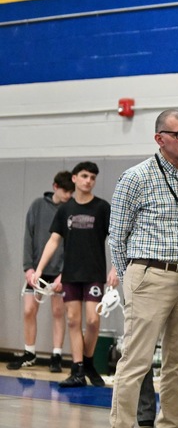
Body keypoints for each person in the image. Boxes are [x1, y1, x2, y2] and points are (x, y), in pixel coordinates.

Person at [105, 109, 178, 428]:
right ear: (159, 138)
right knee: (136, 359)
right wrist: (132, 280)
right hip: (149, 273)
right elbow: (116, 237)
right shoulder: (136, 177)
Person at [30, 162, 118, 388]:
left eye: (92, 178)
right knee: (72, 321)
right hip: (70, 274)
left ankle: (88, 361)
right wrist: (39, 269)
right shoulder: (65, 210)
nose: (89, 181)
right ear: (75, 178)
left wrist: (116, 268)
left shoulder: (102, 208)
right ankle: (78, 368)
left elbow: (116, 240)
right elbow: (54, 240)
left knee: (92, 320)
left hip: (94, 273)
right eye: (85, 176)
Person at [11, 171, 74, 372]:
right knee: (29, 310)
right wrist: (27, 268)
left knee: (58, 311)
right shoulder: (37, 206)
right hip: (36, 270)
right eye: (65, 191)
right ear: (55, 187)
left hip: (59, 271)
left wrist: (64, 273)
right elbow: (28, 237)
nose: (68, 195)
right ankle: (29, 352)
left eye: (71, 192)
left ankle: (56, 355)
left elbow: (72, 244)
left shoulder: (70, 210)